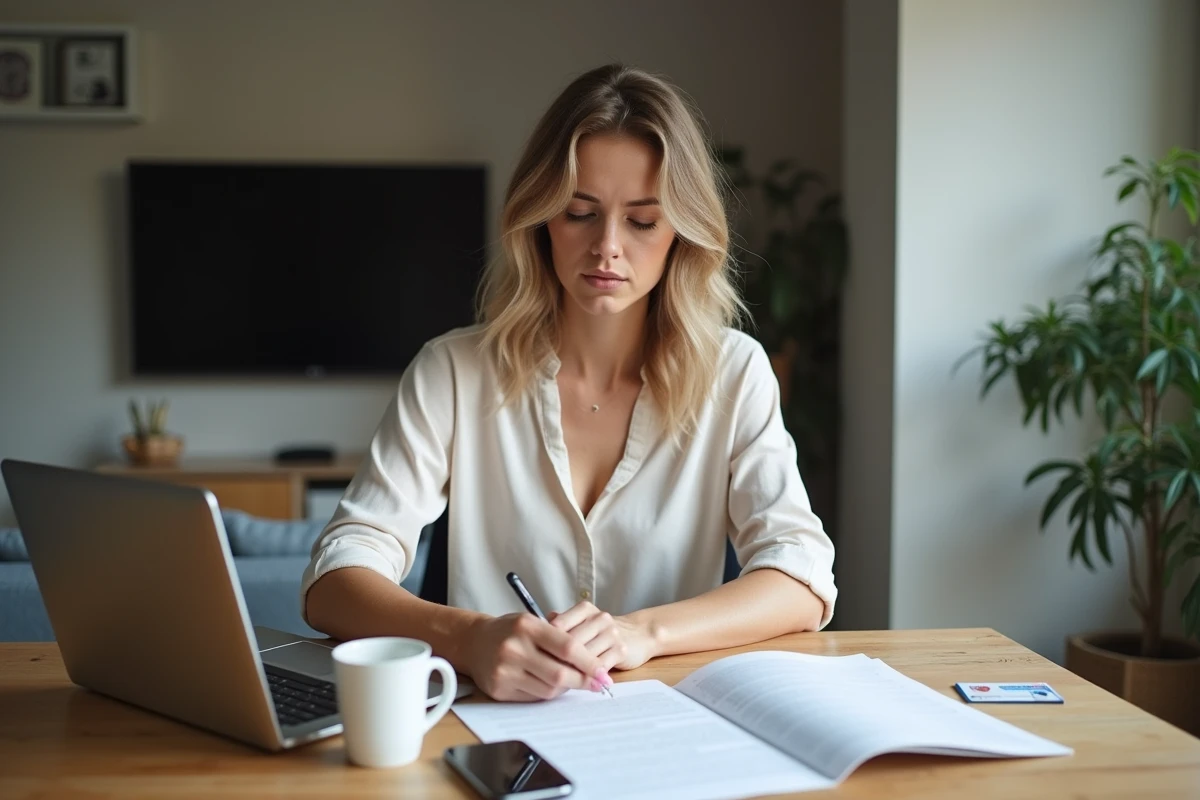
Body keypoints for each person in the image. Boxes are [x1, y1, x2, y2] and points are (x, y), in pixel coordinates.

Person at [301, 63, 837, 702]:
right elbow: (335, 579)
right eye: (580, 213)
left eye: (643, 221)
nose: (607, 246)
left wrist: (643, 633)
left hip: (668, 726)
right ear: (540, 220)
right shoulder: (453, 371)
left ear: (681, 233)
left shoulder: (735, 372)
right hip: (492, 729)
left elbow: (802, 578)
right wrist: (470, 638)